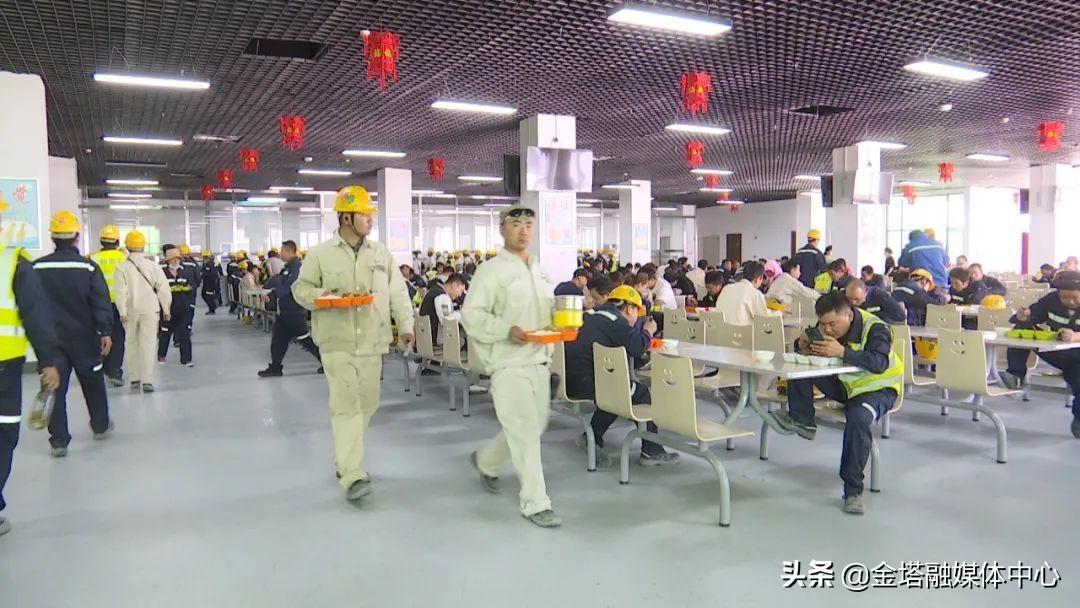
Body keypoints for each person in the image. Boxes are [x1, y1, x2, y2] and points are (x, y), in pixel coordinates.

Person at [292, 186, 415, 504]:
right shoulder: (321, 254)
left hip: (373, 340)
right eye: (364, 214)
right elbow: (300, 289)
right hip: (337, 341)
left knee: (368, 404)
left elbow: (398, 293)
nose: (371, 220)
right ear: (346, 217)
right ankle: (352, 474)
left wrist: (406, 326)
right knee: (346, 405)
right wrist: (321, 297)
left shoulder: (380, 254)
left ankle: (345, 458)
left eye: (371, 215)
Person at [461, 204, 561, 528]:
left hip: (539, 361)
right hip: (508, 363)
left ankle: (487, 461)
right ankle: (536, 503)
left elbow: (546, 314)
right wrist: (506, 330)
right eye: (516, 224)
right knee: (525, 432)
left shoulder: (539, 270)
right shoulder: (491, 271)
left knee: (534, 425)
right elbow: (471, 315)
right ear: (502, 229)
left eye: (529, 224)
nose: (523, 230)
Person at [773, 292, 903, 515]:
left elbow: (879, 363)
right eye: (823, 324)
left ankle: (853, 491)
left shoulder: (876, 328)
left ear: (849, 315)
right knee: (799, 366)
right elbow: (807, 347)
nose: (827, 329)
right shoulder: (825, 326)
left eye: (832, 324)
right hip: (846, 385)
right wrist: (801, 344)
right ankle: (803, 420)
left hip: (877, 389)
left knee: (858, 420)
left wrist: (843, 352)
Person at [564, 285, 678, 468]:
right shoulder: (615, 322)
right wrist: (648, 331)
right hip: (588, 382)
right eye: (637, 312)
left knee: (618, 390)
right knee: (639, 394)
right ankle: (652, 451)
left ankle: (591, 437)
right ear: (630, 308)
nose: (636, 318)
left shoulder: (591, 315)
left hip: (570, 379)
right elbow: (638, 347)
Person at [32, 212, 115, 457]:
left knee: (54, 388)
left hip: (51, 341)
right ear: (76, 237)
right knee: (93, 383)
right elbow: (100, 301)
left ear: (53, 237)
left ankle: (59, 441)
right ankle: (100, 425)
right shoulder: (88, 267)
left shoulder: (37, 268)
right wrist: (105, 331)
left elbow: (31, 306)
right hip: (84, 338)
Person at [0, 240, 61, 538]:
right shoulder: (12, 261)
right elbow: (35, 314)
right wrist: (47, 362)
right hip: (4, 365)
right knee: (3, 434)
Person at [1000, 271, 1080, 437]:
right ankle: (1015, 375)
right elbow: (1034, 313)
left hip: (1077, 358)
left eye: (1074, 298)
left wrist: (1075, 337)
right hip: (1055, 350)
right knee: (1022, 328)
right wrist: (1023, 316)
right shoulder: (1051, 300)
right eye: (1064, 297)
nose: (1070, 301)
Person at [114, 230, 170, 392]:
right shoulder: (153, 266)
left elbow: (120, 292)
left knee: (131, 343)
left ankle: (134, 378)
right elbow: (163, 289)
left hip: (130, 311)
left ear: (127, 246)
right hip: (150, 310)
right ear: (143, 247)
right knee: (149, 344)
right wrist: (166, 309)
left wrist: (122, 311)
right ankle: (147, 380)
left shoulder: (121, 267)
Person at [258, 241, 321, 378]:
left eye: (282, 251)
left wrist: (273, 288)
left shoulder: (296, 268)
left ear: (289, 251)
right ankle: (275, 367)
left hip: (294, 311)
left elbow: (287, 288)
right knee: (278, 339)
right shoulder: (287, 268)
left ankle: (327, 363)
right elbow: (281, 286)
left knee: (305, 340)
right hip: (286, 310)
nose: (280, 253)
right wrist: (271, 293)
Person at [91, 225, 127, 387]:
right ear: (117, 241)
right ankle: (115, 372)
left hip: (100, 305)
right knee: (118, 338)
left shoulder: (93, 259)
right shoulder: (123, 258)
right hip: (119, 305)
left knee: (101, 337)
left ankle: (102, 368)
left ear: (101, 241)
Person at [158, 246, 197, 367]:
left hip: (183, 308)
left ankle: (186, 359)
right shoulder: (161, 272)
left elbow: (192, 287)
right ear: (167, 260)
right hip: (167, 309)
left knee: (185, 334)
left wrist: (190, 304)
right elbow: (157, 289)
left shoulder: (186, 271)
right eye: (172, 259)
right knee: (165, 333)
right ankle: (161, 356)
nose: (175, 261)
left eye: (177, 259)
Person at [712, 261, 773, 325]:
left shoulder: (726, 288)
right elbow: (764, 318)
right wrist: (778, 313)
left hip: (720, 330)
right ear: (758, 279)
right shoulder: (754, 293)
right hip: (741, 331)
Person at [419, 272, 468, 346]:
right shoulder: (442, 297)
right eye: (461, 290)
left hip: (426, 338)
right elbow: (446, 321)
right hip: (436, 340)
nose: (460, 295)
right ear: (454, 285)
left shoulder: (434, 290)